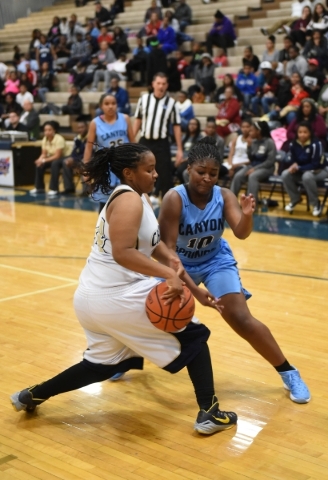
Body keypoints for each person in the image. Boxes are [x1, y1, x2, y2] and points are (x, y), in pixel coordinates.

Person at [11, 141, 238, 436]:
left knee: (101, 364)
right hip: (115, 294)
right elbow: (123, 252)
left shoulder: (137, 198)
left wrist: (187, 282)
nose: (156, 174)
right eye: (150, 169)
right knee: (193, 335)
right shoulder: (129, 200)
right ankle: (210, 411)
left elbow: (153, 245)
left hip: (93, 299)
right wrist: (167, 276)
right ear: (129, 173)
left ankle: (33, 394)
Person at [158, 137, 311, 404]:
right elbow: (168, 251)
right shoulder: (174, 198)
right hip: (180, 265)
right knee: (151, 311)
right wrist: (192, 289)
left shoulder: (224, 195)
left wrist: (248, 214)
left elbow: (241, 233)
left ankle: (289, 372)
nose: (207, 178)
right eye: (201, 172)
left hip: (216, 260)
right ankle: (125, 358)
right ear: (189, 169)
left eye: (213, 174)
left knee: (240, 318)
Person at [134, 73, 183, 198]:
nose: (161, 86)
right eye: (158, 83)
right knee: (140, 172)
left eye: (163, 84)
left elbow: (176, 126)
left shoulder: (172, 103)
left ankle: (167, 207)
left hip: (162, 143)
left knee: (165, 175)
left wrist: (179, 149)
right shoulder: (144, 100)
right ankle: (140, 201)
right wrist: (131, 139)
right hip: (145, 141)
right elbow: (138, 121)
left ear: (167, 86)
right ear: (153, 84)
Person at [83, 93, 134, 210]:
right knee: (105, 205)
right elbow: (89, 146)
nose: (110, 106)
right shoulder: (95, 123)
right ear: (101, 106)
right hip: (105, 167)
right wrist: (86, 169)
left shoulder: (125, 118)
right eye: (107, 104)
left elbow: (133, 143)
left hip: (124, 165)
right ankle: (103, 228)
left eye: (113, 103)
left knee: (125, 202)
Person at [282, 121, 328, 215]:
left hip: (321, 170)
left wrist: (298, 167)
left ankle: (316, 204)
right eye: (300, 132)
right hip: (303, 170)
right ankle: (295, 198)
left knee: (307, 176)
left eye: (305, 132)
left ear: (310, 132)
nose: (302, 135)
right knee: (285, 174)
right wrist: (294, 164)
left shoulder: (316, 144)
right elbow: (292, 159)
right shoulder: (293, 144)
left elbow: (315, 164)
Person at [230, 121, 276, 204]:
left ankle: (251, 205)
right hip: (253, 166)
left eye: (252, 130)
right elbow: (251, 159)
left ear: (258, 131)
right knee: (238, 176)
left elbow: (270, 161)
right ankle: (230, 202)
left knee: (252, 176)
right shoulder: (254, 142)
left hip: (266, 168)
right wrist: (249, 147)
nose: (249, 132)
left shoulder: (270, 142)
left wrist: (255, 169)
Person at [30, 121, 71, 196]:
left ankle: (54, 189)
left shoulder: (59, 139)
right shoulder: (45, 139)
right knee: (39, 165)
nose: (47, 132)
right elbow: (44, 153)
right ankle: (39, 188)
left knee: (54, 164)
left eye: (49, 130)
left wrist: (43, 160)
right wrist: (40, 160)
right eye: (45, 130)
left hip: (65, 157)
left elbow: (57, 156)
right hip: (53, 157)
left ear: (54, 130)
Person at [63, 120, 89, 194]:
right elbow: (74, 151)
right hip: (79, 159)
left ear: (87, 127)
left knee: (84, 163)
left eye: (82, 127)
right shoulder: (77, 138)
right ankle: (69, 188)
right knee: (66, 162)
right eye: (78, 128)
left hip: (89, 158)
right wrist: (71, 158)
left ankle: (86, 191)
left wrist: (76, 159)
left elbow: (91, 152)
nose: (80, 129)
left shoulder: (91, 137)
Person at [175, 118, 203, 183]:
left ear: (198, 126)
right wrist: (178, 159)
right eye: (190, 124)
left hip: (192, 161)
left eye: (194, 124)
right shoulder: (184, 137)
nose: (192, 126)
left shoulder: (200, 138)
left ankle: (185, 187)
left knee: (180, 171)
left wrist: (183, 160)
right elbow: (180, 150)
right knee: (169, 167)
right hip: (182, 159)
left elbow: (197, 154)